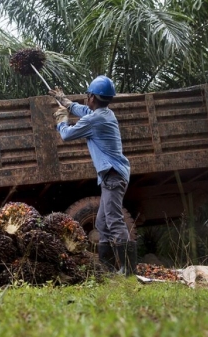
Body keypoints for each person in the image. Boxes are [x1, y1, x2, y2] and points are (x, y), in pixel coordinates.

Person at [49, 75, 136, 275]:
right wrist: (65, 101)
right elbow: (83, 111)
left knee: (113, 220)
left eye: (88, 95)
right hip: (112, 175)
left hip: (113, 176)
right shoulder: (104, 113)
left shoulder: (95, 120)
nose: (87, 99)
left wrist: (62, 121)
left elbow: (67, 135)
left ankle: (129, 270)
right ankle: (106, 269)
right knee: (102, 223)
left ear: (92, 97)